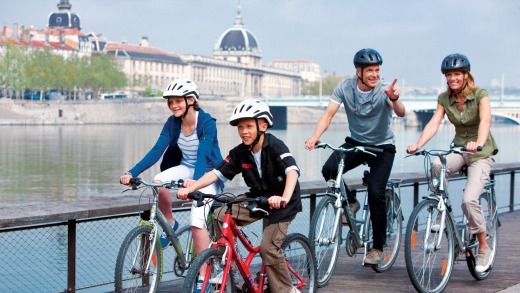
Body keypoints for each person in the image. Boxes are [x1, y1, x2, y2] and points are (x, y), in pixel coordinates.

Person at [178, 99, 303, 293]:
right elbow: (215, 174)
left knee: (268, 249)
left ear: (262, 126)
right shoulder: (240, 152)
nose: (244, 131)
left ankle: (287, 289)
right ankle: (230, 267)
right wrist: (192, 187)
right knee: (220, 215)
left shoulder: (276, 146)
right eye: (240, 127)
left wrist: (284, 198)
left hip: (282, 202)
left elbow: (292, 171)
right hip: (257, 198)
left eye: (249, 126)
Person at [304, 48, 406, 266]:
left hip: (383, 147)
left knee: (375, 191)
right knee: (329, 169)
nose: (374, 75)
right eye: (370, 70)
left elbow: (401, 112)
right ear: (358, 72)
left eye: (377, 70)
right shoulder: (345, 87)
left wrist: (395, 99)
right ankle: (351, 203)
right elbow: (328, 114)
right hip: (357, 142)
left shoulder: (384, 90)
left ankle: (377, 248)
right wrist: (315, 136)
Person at [407, 53, 498, 273]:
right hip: (458, 149)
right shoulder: (444, 99)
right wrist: (418, 144)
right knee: (437, 164)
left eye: (457, 74)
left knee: (468, 200)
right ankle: (440, 209)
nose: (453, 78)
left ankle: (484, 247)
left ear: (466, 75)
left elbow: (485, 120)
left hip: (481, 152)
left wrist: (478, 142)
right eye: (449, 75)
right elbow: (434, 123)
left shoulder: (480, 94)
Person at [119, 78, 223, 257]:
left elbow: (203, 154)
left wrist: (195, 182)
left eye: (178, 101)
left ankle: (202, 277)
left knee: (196, 221)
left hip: (209, 174)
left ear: (190, 100)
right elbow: (157, 150)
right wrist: (131, 172)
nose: (174, 105)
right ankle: (170, 223)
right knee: (157, 181)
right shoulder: (172, 123)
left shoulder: (207, 122)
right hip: (186, 168)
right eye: (170, 102)